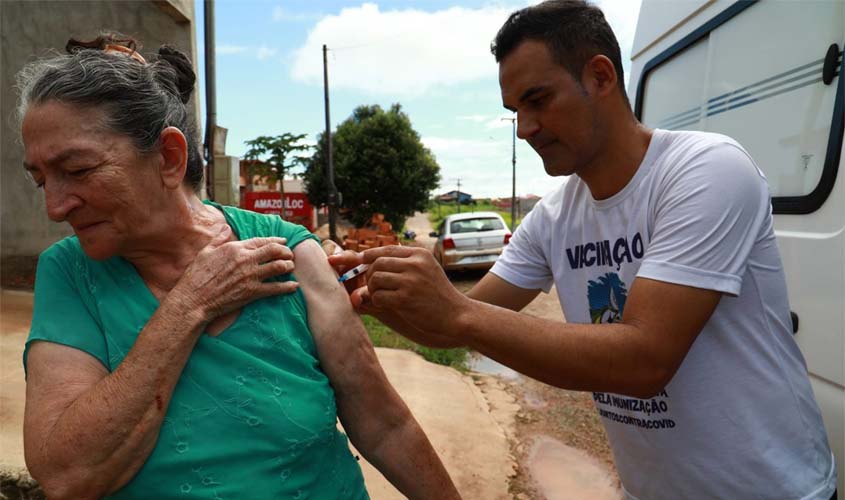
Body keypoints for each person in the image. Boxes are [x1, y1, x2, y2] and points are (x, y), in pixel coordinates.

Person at [329, 1, 838, 498]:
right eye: (515, 111)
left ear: (599, 76)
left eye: (538, 100)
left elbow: (645, 361)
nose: (525, 128)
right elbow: (454, 325)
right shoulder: (553, 217)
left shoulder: (706, 170)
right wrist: (367, 293)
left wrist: (456, 312)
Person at [18, 35, 460, 500]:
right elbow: (67, 475)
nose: (55, 207)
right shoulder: (70, 273)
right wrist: (188, 305)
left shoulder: (287, 251)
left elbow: (386, 426)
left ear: (168, 158)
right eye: (41, 180)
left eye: (78, 170)